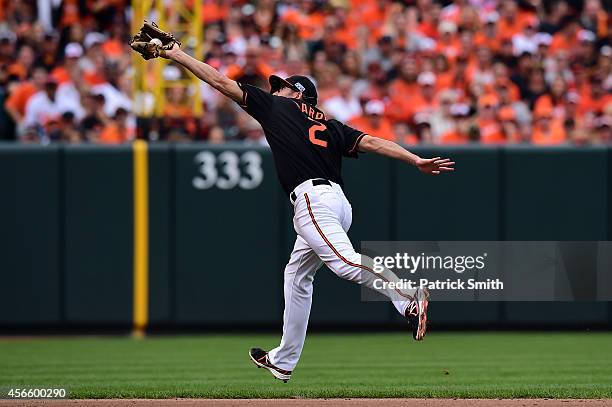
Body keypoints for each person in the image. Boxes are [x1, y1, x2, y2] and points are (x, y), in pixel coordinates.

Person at [147, 41, 454, 382]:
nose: (275, 91)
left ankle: (408, 296)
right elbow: (374, 142)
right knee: (296, 276)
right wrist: (414, 159)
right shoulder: (332, 123)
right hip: (337, 202)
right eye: (275, 88)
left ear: (299, 96)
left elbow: (219, 81)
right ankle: (283, 359)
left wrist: (174, 53)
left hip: (312, 199)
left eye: (283, 88)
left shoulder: (278, 109)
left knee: (344, 262)